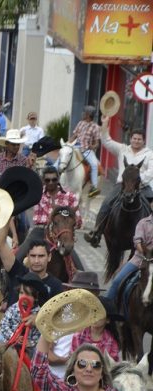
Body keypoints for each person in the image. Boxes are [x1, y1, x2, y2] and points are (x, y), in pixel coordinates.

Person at [84, 118, 153, 247]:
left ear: (143, 141)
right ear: (130, 139)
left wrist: (136, 180)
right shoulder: (122, 149)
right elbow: (106, 141)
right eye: (134, 138)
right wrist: (105, 124)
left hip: (142, 186)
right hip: (122, 185)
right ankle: (96, 231)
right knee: (106, 203)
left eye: (139, 139)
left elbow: (150, 172)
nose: (136, 141)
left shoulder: (149, 154)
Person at [17, 166, 82, 261]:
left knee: (76, 263)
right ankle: (9, 273)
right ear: (43, 180)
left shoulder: (69, 196)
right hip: (40, 231)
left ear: (58, 179)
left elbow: (78, 221)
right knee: (19, 256)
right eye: (47, 180)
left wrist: (73, 222)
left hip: (61, 233)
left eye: (54, 179)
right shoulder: (37, 194)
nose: (51, 182)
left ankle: (79, 275)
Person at [0, 229, 64, 309]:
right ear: (27, 256)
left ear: (49, 257)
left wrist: (37, 318)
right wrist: (7, 216)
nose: (36, 261)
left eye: (41, 256)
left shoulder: (56, 285)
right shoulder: (17, 271)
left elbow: (57, 315)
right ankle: (5, 296)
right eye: (33, 256)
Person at [106, 211, 153, 301]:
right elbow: (137, 240)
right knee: (117, 281)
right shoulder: (143, 222)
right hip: (139, 259)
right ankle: (108, 307)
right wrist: (144, 252)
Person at [69, 106, 101, 198]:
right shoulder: (80, 123)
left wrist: (93, 146)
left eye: (84, 113)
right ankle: (54, 173)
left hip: (86, 150)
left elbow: (97, 143)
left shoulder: (95, 127)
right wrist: (68, 144)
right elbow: (74, 136)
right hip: (75, 148)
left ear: (88, 114)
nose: (82, 114)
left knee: (94, 164)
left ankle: (94, 187)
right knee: (63, 156)